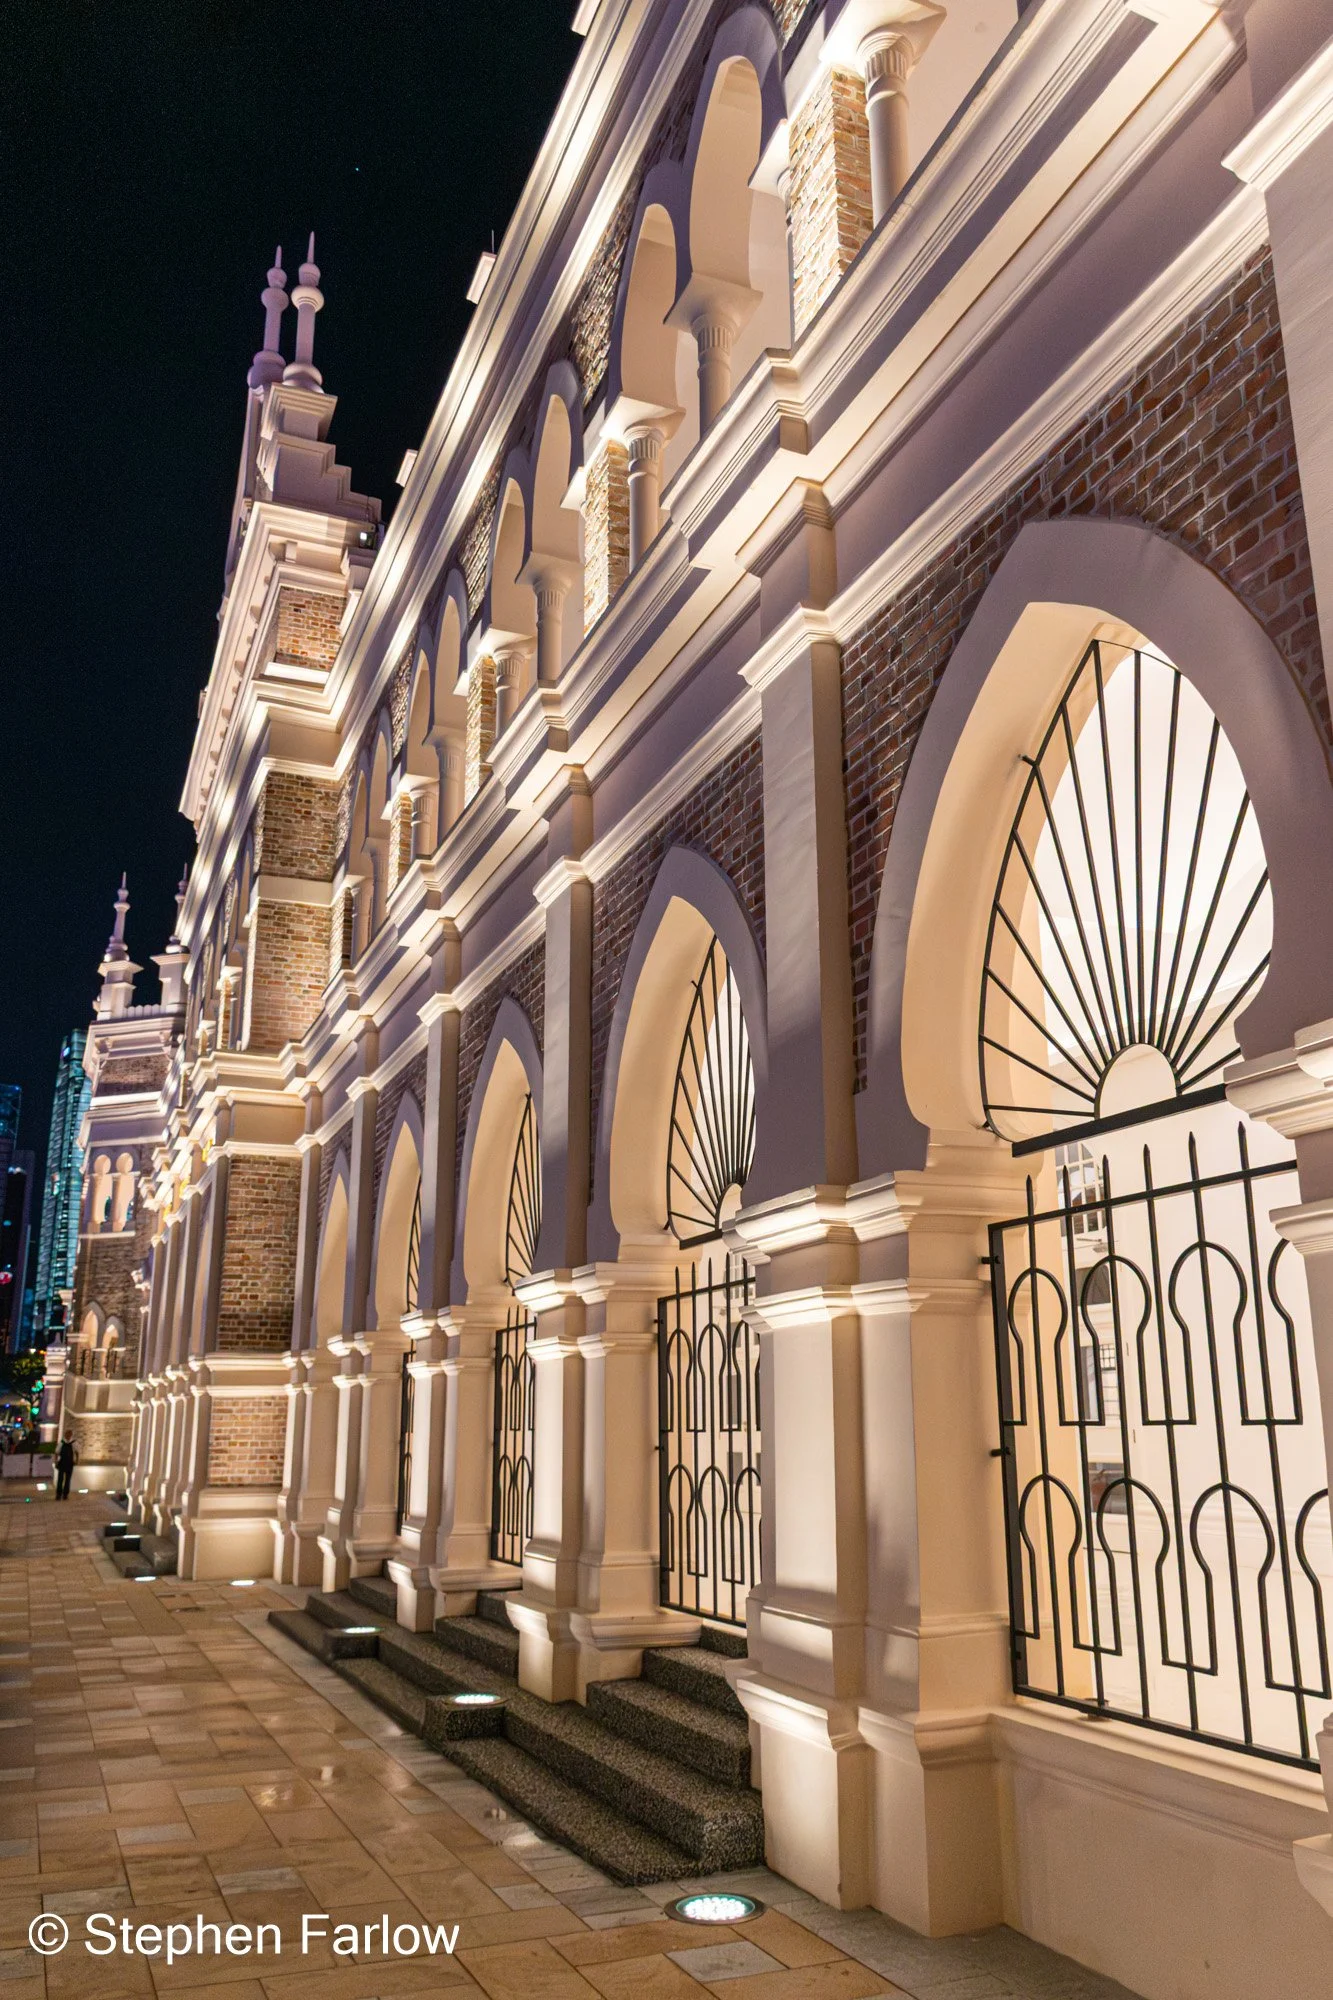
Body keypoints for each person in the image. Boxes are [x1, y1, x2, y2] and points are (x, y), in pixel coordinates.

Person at [55, 1431, 76, 1502]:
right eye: (67, 1434)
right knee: (60, 1479)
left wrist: (77, 1460)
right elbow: (57, 1452)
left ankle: (65, 1494)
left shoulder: (73, 1443)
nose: (68, 1435)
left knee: (68, 1479)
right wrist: (56, 1461)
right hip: (62, 1462)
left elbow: (77, 1452)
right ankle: (58, 1494)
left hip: (70, 1463)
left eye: (69, 1434)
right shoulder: (61, 1443)